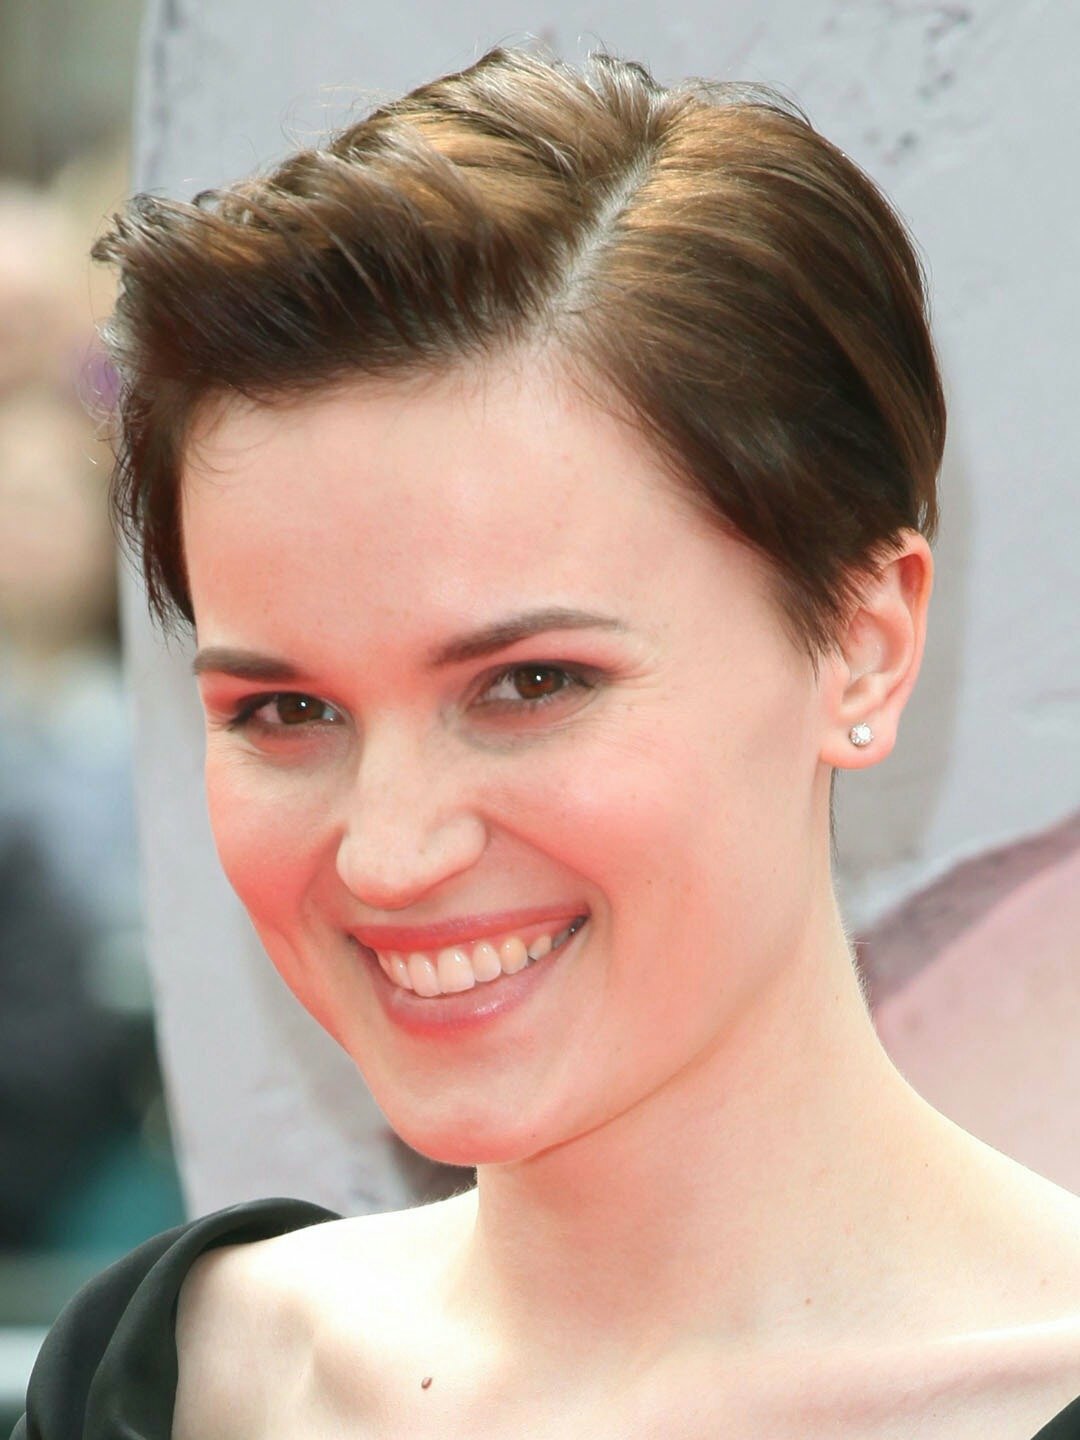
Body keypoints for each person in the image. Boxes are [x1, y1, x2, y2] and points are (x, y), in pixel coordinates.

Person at [13, 44, 1080, 1440]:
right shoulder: (174, 1383)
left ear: (863, 645)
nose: (391, 855)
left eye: (530, 685)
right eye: (287, 712)